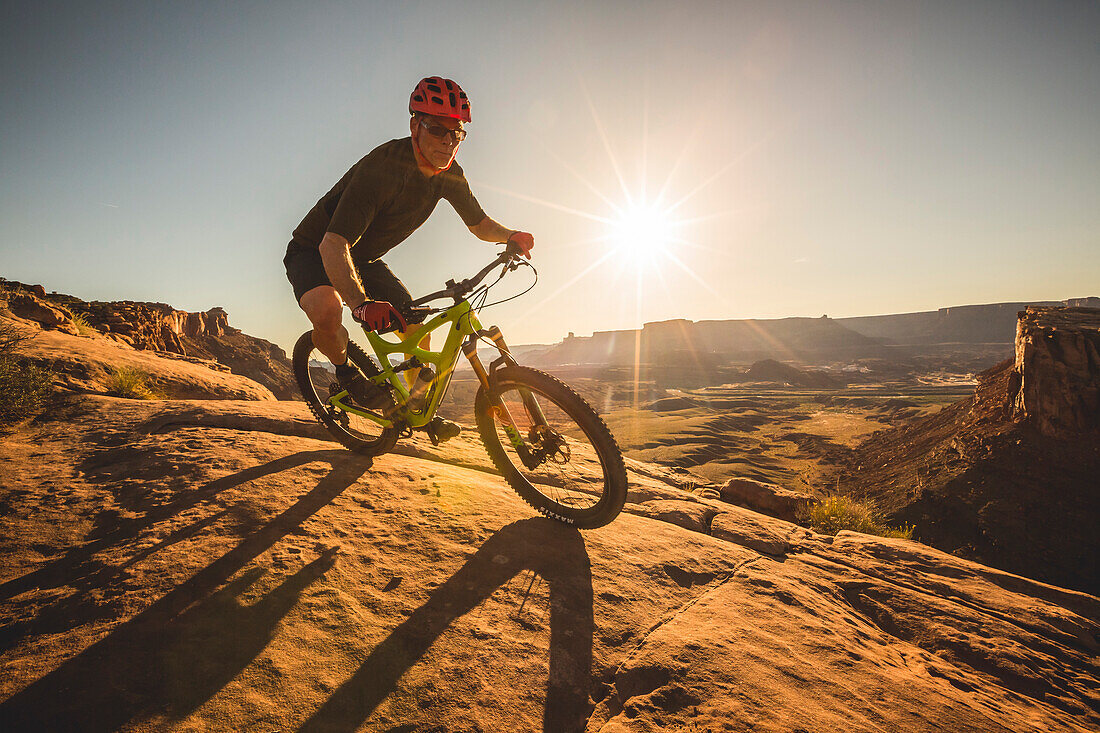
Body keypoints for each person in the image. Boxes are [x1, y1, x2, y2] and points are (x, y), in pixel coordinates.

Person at [284, 76, 534, 441]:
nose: (448, 141)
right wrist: (361, 305)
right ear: (415, 125)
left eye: (457, 133)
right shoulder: (381, 170)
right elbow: (332, 245)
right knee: (327, 310)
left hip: (363, 259)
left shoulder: (450, 176)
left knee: (415, 326)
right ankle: (345, 374)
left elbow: (479, 225)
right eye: (437, 129)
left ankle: (415, 408)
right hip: (315, 249)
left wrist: (509, 235)